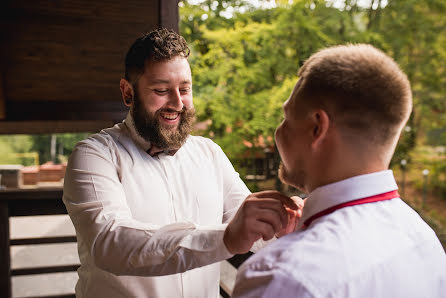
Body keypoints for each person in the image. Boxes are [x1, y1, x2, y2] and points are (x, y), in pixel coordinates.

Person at [62, 28, 301, 298]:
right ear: (128, 92)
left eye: (185, 89)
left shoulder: (209, 153)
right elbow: (110, 242)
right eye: (161, 90)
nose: (177, 103)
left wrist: (286, 223)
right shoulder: (94, 155)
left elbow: (251, 227)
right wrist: (225, 238)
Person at [232, 44, 446, 298]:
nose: (278, 133)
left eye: (287, 118)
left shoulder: (282, 276)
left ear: (317, 128)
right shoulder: (425, 240)